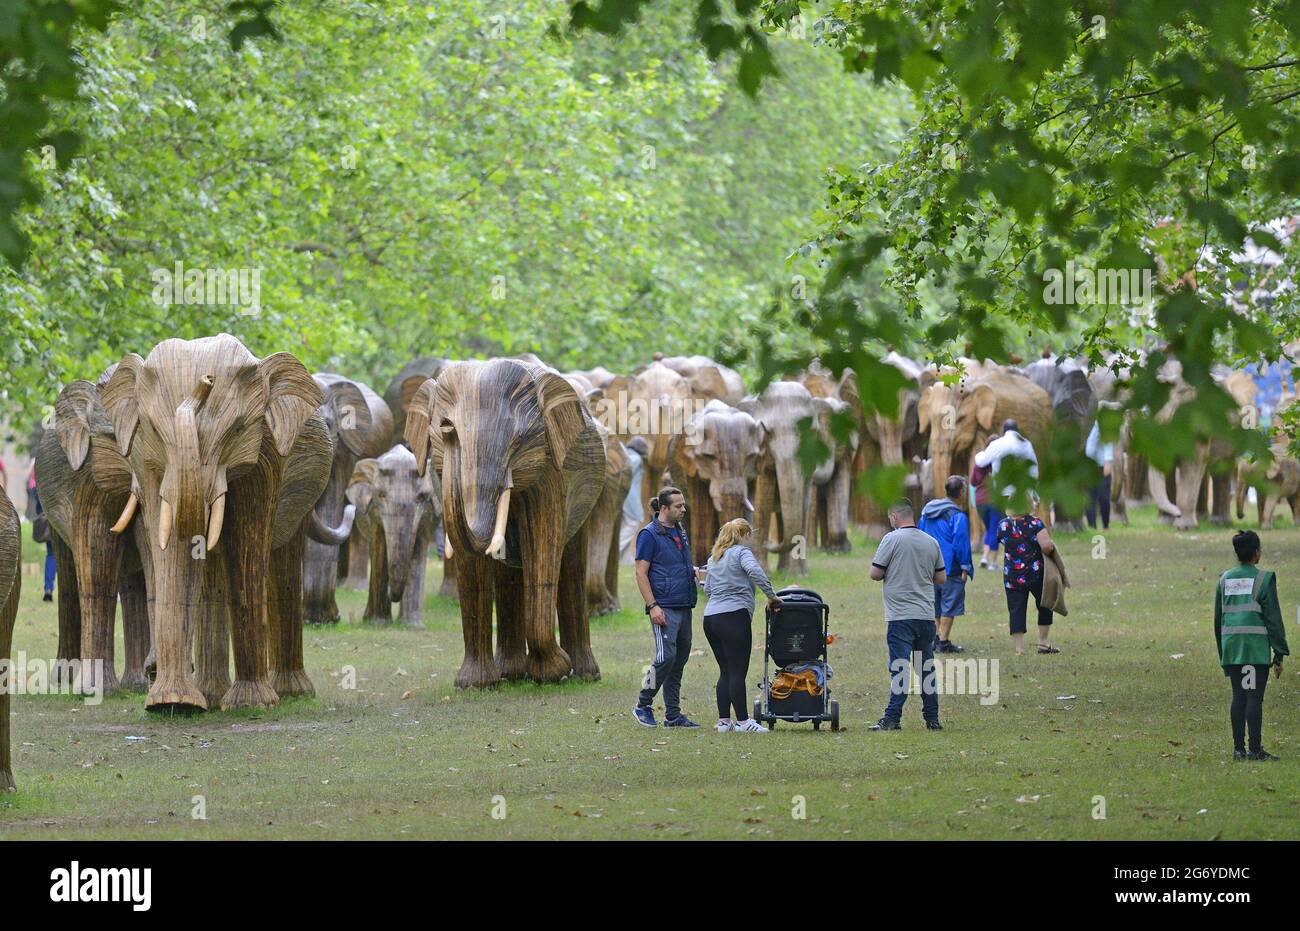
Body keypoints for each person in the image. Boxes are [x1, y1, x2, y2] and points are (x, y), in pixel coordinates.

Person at [868, 501, 947, 731]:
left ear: (894, 516)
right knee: (926, 668)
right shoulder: (931, 541)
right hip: (925, 615)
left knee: (900, 668)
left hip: (900, 616)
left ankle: (892, 718)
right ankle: (932, 718)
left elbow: (875, 573)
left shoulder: (891, 539)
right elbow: (941, 578)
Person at [701, 518, 782, 733]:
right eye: (749, 535)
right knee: (737, 671)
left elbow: (707, 589)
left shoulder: (714, 558)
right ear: (744, 534)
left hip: (710, 618)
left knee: (725, 671)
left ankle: (724, 722)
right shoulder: (741, 552)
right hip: (734, 617)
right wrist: (771, 596)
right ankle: (745, 723)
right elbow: (755, 572)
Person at [1214, 530, 1288, 761]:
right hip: (1254, 649)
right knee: (1254, 698)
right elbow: (1273, 620)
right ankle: (1255, 749)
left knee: (1239, 696)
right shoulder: (1264, 579)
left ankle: (1238, 749)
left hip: (1233, 647)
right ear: (1256, 553)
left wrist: (1223, 653)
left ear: (1237, 553)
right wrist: (1279, 654)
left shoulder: (1224, 579)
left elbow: (1218, 620)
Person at [632, 487, 701, 728]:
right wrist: (653, 606)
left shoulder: (679, 531)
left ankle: (672, 715)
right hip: (663, 607)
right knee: (665, 656)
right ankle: (642, 704)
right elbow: (641, 573)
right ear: (664, 508)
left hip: (684, 604)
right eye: (678, 506)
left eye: (683, 505)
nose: (683, 509)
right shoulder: (648, 535)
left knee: (678, 660)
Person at [995, 498, 1058, 655]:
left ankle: (1019, 648)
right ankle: (1043, 643)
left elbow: (1001, 541)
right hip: (1035, 574)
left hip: (1012, 576)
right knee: (1045, 604)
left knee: (1016, 609)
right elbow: (1047, 546)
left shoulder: (1003, 525)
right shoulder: (1035, 523)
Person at [919, 475, 973, 654]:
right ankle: (943, 642)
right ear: (961, 493)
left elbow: (919, 534)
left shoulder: (927, 512)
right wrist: (965, 566)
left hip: (928, 567)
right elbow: (960, 542)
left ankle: (935, 639)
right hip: (951, 568)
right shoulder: (957, 515)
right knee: (949, 605)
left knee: (935, 604)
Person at [619, 436, 649, 564]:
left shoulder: (624, 454)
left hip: (622, 498)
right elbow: (627, 468)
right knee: (632, 524)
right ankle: (615, 553)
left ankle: (626, 561)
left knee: (625, 526)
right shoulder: (636, 458)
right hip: (630, 500)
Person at [28, 463, 54, 601]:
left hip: (46, 510)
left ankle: (48, 588)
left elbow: (31, 481)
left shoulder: (39, 459)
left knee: (51, 554)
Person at [971, 461, 1000, 571]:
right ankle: (993, 563)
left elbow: (973, 482)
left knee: (989, 529)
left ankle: (984, 558)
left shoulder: (978, 464)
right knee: (994, 530)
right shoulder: (997, 462)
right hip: (994, 501)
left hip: (980, 502)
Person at [1084, 420, 1113, 530]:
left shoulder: (1099, 423)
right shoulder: (1083, 424)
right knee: (1089, 498)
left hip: (1101, 466)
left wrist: (1108, 461)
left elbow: (1107, 442)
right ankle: (1092, 526)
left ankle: (1105, 525)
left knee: (1104, 497)